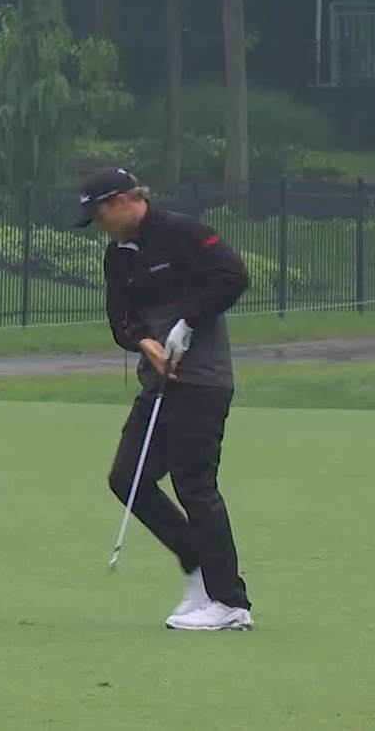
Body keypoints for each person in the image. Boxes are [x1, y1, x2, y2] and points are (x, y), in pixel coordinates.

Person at [76, 167, 255, 631]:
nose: (99, 227)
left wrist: (188, 322)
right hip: (158, 384)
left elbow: (233, 275)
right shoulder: (118, 256)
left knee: (195, 484)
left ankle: (230, 602)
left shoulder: (181, 233)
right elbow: (120, 320)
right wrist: (145, 342)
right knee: (127, 478)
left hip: (202, 379)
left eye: (98, 216)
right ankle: (198, 569)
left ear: (121, 201)